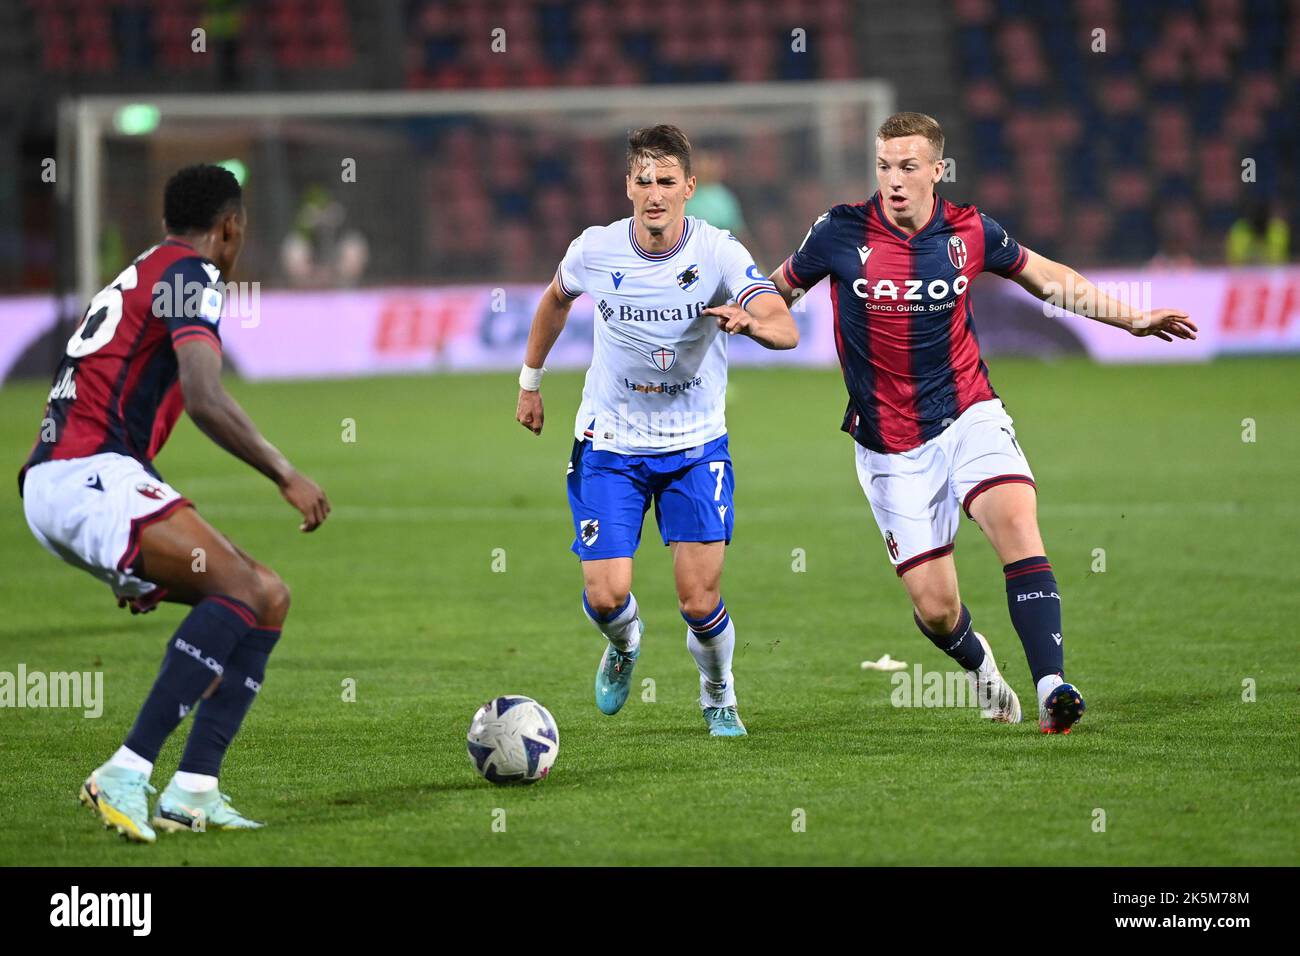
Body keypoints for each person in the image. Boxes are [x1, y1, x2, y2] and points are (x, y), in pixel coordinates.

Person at [769, 112, 1197, 734]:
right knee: (938, 610)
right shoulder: (839, 232)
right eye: (885, 166)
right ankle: (981, 669)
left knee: (1016, 523)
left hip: (969, 412)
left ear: (937, 171)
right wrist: (743, 313)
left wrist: (1130, 319)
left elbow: (1049, 279)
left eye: (908, 167)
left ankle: (1052, 685)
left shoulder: (970, 232)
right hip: (889, 444)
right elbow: (777, 290)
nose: (894, 180)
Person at [19, 164, 331, 841]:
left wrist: (140, 541)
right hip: (85, 475)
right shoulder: (191, 276)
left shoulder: (145, 270)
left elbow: (119, 399)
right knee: (241, 590)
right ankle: (125, 770)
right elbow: (204, 395)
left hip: (80, 479)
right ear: (230, 227)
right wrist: (284, 472)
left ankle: (194, 789)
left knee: (267, 596)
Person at [515, 125, 797, 737]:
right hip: (609, 442)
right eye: (643, 181)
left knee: (699, 602)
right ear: (627, 188)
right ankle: (624, 643)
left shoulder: (719, 253)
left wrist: (750, 322)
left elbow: (785, 326)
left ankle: (718, 691)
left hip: (694, 446)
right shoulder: (595, 249)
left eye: (667, 181)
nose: (654, 193)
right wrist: (530, 382)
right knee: (606, 596)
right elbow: (555, 300)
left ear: (689, 188)